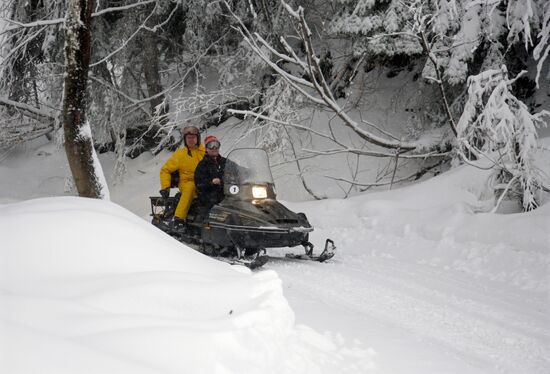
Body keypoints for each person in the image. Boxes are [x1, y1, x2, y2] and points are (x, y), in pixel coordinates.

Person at [159, 124, 205, 225]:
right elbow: (165, 170)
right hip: (187, 183)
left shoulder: (204, 152)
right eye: (188, 138)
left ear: (198, 138)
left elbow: (218, 162)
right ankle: (179, 219)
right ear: (185, 139)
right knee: (190, 187)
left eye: (193, 137)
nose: (191, 140)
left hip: (204, 183)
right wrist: (165, 187)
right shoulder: (181, 154)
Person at [194, 135, 226, 221]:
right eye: (211, 145)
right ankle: (204, 226)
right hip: (209, 195)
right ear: (206, 149)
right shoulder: (202, 165)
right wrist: (211, 182)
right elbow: (199, 184)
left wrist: (248, 171)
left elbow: (236, 169)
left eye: (216, 144)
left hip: (226, 192)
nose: (214, 148)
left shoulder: (224, 161)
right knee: (211, 205)